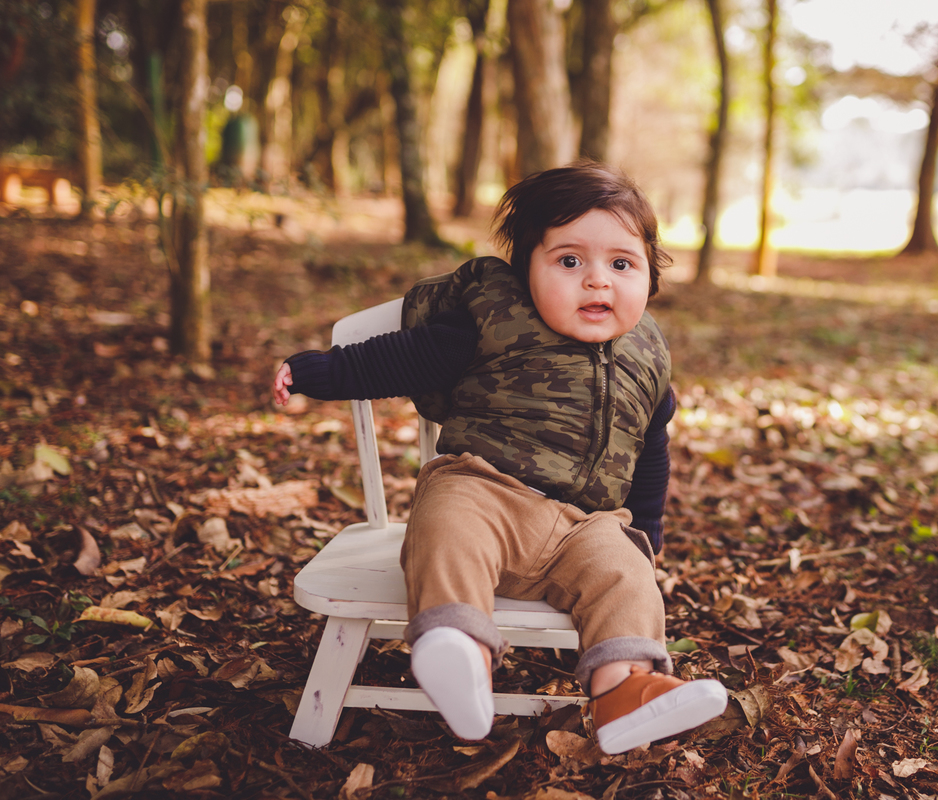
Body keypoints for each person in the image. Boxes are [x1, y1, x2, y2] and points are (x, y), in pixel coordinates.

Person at [272, 161, 727, 755]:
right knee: (448, 526)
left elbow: (651, 450)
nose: (598, 281)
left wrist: (648, 529)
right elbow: (400, 360)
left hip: (584, 526)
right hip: (483, 488)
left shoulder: (647, 358)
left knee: (626, 573)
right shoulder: (493, 319)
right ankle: (460, 651)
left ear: (650, 277)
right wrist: (315, 371)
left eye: (621, 264)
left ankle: (623, 691)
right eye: (570, 261)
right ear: (526, 271)